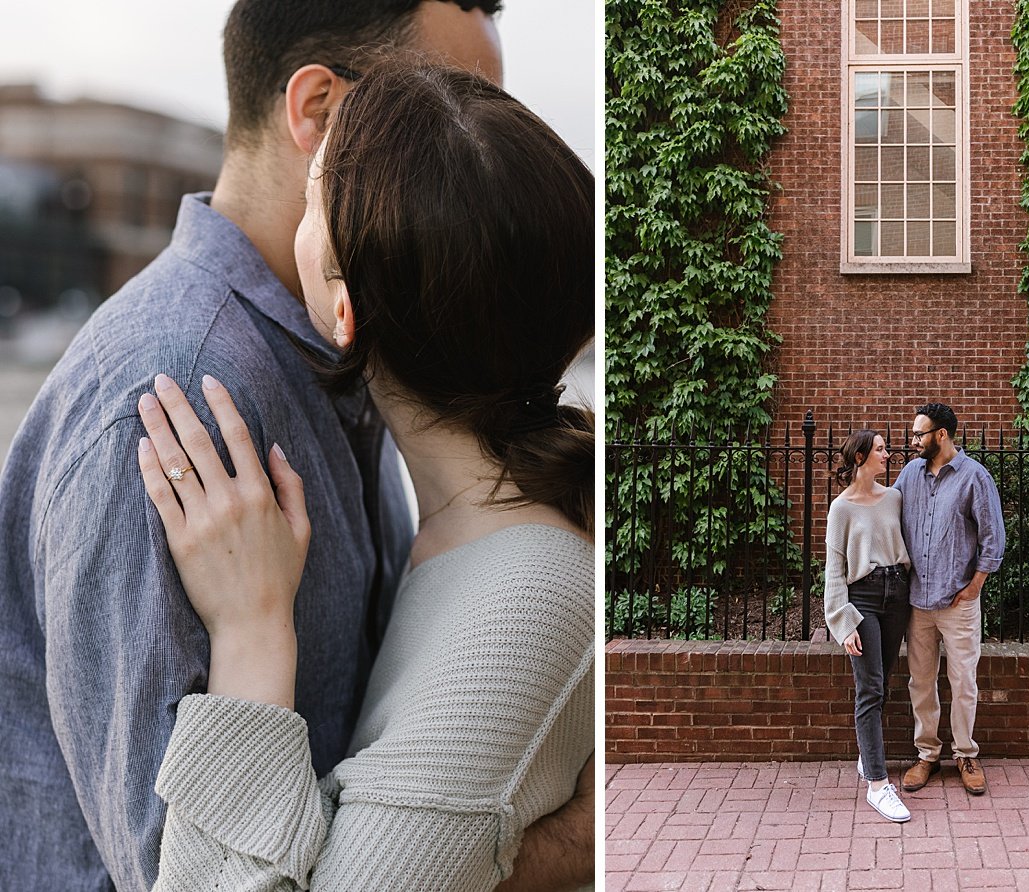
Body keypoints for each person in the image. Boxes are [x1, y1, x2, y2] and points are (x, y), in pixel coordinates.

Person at [0, 3, 591, 889]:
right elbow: (177, 871)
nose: (473, 151)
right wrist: (560, 851)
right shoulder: (173, 404)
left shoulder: (377, 377)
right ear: (317, 112)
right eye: (433, 103)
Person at [895, 402, 1005, 797]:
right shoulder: (909, 475)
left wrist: (975, 586)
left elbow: (993, 538)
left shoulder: (975, 477)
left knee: (963, 682)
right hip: (918, 603)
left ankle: (964, 754)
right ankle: (927, 755)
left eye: (918, 434)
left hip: (959, 602)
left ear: (941, 435)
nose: (912, 442)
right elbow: (889, 518)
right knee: (921, 683)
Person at [824, 430, 912, 823]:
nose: (888, 455)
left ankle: (867, 755)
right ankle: (877, 784)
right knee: (870, 687)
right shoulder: (841, 509)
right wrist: (843, 624)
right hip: (863, 598)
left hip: (898, 595)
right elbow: (834, 573)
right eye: (880, 449)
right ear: (860, 456)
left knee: (883, 678)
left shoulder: (894, 498)